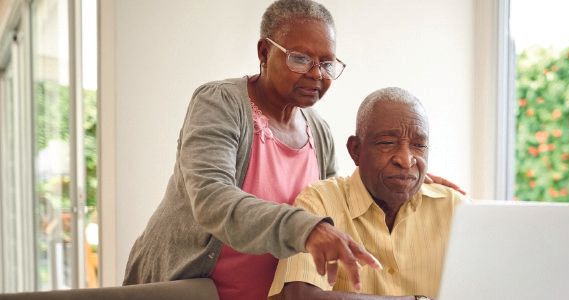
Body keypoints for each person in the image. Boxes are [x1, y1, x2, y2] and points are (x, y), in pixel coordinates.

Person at [123, 1, 460, 300]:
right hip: (191, 288)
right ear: (263, 53)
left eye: (327, 64)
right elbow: (211, 199)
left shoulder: (319, 131)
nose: (316, 74)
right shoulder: (221, 103)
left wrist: (399, 171)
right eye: (300, 58)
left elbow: (337, 201)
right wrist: (306, 228)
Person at [268, 87, 467, 300]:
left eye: (418, 145)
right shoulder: (319, 203)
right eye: (387, 143)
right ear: (355, 150)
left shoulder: (455, 208)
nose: (405, 159)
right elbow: (299, 296)